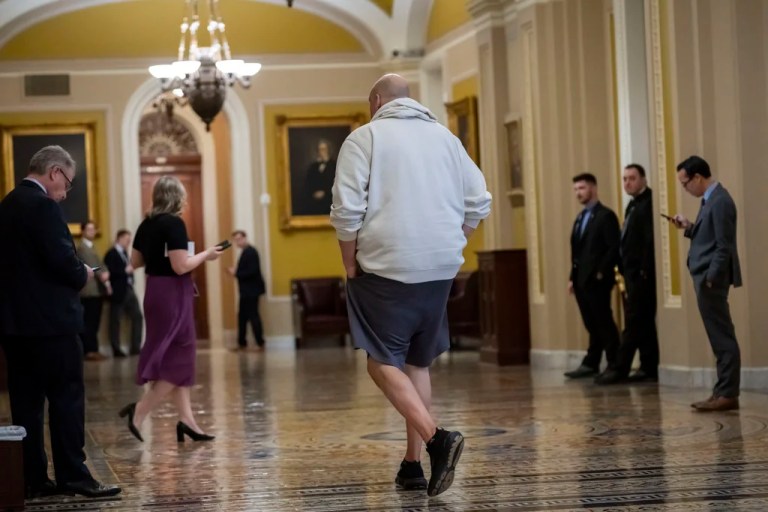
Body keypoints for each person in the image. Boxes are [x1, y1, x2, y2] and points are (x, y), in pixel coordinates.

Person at [330, 74, 492, 497]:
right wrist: (455, 239)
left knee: (380, 361)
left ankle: (438, 439)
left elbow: (347, 210)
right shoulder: (446, 138)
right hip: (440, 269)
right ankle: (412, 465)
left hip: (387, 267)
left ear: (378, 100)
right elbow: (479, 200)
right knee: (417, 362)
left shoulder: (364, 138)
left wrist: (349, 264)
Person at [0, 145, 121, 498]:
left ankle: (33, 478)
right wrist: (82, 272)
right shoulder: (44, 206)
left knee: (26, 406)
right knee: (67, 401)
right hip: (53, 326)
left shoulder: (6, 205)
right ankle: (74, 477)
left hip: (14, 327)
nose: (65, 191)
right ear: (54, 172)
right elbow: (62, 263)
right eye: (66, 182)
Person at [119, 176, 223, 442]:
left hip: (154, 291)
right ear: (177, 197)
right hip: (173, 294)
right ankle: (139, 411)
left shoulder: (146, 224)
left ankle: (188, 422)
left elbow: (136, 261)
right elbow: (181, 266)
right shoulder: (174, 223)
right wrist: (207, 254)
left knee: (175, 356)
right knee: (180, 359)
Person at [670, 155, 741, 412]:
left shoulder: (721, 201)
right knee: (717, 335)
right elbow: (709, 236)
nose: (685, 188)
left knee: (722, 336)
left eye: (685, 183)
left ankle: (728, 393)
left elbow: (724, 246)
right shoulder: (710, 200)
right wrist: (689, 227)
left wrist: (711, 278)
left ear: (698, 177)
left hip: (711, 280)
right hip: (705, 277)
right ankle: (721, 390)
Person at [596, 164, 659, 384]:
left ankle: (620, 368)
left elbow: (649, 242)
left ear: (643, 179)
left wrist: (643, 270)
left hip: (642, 274)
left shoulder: (650, 203)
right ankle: (649, 366)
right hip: (631, 274)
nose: (627, 183)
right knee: (643, 322)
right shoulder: (632, 205)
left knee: (634, 322)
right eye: (624, 179)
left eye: (632, 178)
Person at [564, 173, 621, 380]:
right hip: (581, 280)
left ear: (593, 189)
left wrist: (600, 273)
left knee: (604, 322)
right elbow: (577, 252)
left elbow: (613, 248)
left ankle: (615, 363)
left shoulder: (606, 216)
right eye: (576, 189)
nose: (578, 193)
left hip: (597, 280)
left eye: (582, 188)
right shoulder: (581, 217)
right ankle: (592, 362)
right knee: (591, 323)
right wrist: (572, 277)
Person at [104, 229, 144, 357]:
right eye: (127, 240)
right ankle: (116, 348)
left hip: (129, 289)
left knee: (138, 316)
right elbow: (110, 272)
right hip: (118, 291)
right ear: (119, 238)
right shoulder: (111, 254)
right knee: (115, 320)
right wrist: (125, 271)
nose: (128, 242)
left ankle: (135, 347)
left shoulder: (126, 253)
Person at [77, 220, 110, 361]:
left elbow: (101, 265)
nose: (92, 232)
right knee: (89, 322)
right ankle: (89, 350)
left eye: (93, 229)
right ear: (83, 231)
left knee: (94, 321)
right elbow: (94, 267)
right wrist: (104, 276)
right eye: (89, 229)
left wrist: (106, 272)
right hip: (89, 291)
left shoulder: (91, 246)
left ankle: (93, 349)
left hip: (95, 290)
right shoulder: (83, 248)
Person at [228, 230, 266, 350]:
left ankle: (260, 343)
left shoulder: (250, 252)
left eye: (239, 239)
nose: (238, 242)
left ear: (245, 238)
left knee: (253, 316)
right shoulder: (246, 252)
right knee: (242, 317)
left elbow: (252, 271)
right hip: (246, 290)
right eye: (236, 240)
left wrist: (236, 273)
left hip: (251, 290)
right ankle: (242, 343)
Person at [300, 139, 336, 216]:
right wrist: (313, 193)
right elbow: (307, 184)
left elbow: (336, 184)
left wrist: (325, 193)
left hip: (330, 201)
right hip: (314, 202)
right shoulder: (313, 167)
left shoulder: (334, 166)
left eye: (323, 149)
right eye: (319, 149)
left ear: (328, 150)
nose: (321, 151)